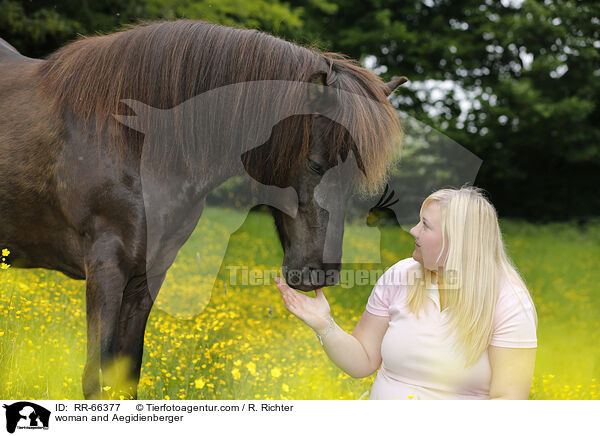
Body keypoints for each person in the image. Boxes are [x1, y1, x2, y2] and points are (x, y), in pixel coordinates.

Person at [275, 186, 537, 399]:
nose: (413, 231)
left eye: (425, 225)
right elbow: (363, 362)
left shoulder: (509, 301)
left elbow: (508, 401)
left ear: (456, 242)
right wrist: (325, 325)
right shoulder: (401, 275)